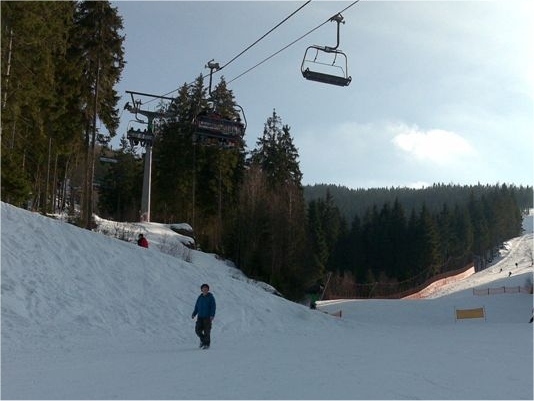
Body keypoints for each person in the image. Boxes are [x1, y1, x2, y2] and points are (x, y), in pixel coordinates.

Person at [192, 283, 216, 349]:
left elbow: (213, 307)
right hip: (200, 317)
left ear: (208, 290)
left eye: (206, 288)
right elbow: (197, 306)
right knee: (197, 330)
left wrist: (212, 315)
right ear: (201, 290)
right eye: (203, 288)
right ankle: (203, 340)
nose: (205, 289)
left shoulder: (211, 297)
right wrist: (194, 313)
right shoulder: (200, 297)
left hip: (207, 317)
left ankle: (207, 344)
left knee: (207, 331)